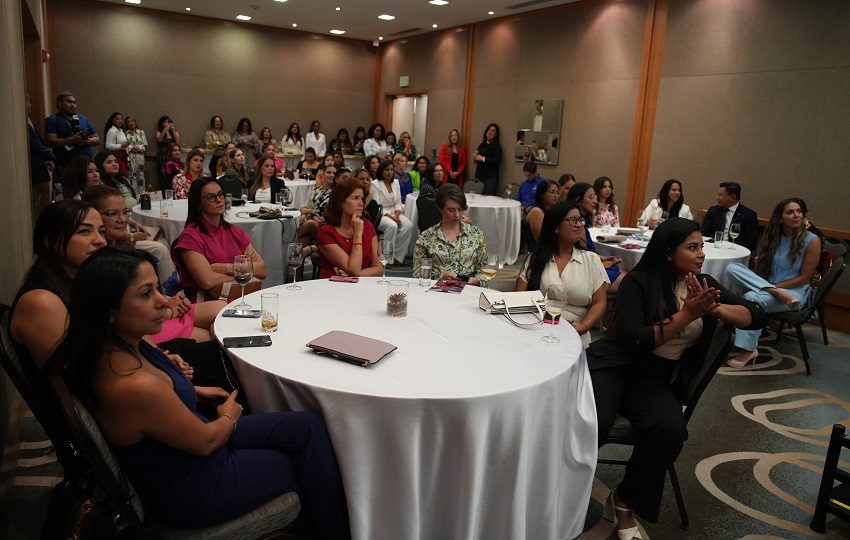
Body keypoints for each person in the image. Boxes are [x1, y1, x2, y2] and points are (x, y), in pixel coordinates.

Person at [54, 246, 351, 537]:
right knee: (309, 465)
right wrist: (229, 417)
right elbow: (206, 442)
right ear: (108, 311)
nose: (163, 302)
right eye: (146, 294)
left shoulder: (119, 345)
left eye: (158, 289)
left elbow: (156, 409)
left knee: (307, 427)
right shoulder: (132, 384)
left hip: (185, 447)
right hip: (195, 485)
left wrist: (194, 390)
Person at [587, 218, 766, 536]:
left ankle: (624, 500)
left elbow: (755, 316)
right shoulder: (638, 282)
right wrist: (687, 314)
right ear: (669, 252)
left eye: (702, 247)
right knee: (594, 423)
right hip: (616, 365)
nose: (701, 254)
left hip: (654, 377)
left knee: (670, 430)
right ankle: (563, 494)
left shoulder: (704, 284)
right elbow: (636, 341)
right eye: (692, 247)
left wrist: (714, 309)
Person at [726, 198, 820, 368]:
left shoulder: (812, 241)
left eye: (799, 211)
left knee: (750, 298)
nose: (796, 215)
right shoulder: (773, 237)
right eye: (790, 212)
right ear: (780, 217)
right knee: (732, 268)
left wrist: (776, 287)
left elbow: (804, 278)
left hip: (793, 294)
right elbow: (761, 270)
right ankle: (770, 291)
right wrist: (764, 269)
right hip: (771, 289)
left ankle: (748, 350)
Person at [517, 201, 609, 348]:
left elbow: (600, 303)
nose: (579, 225)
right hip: (537, 329)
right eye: (573, 220)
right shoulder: (536, 259)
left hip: (575, 333)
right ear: (556, 227)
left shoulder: (591, 260)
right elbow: (519, 298)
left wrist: (584, 327)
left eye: (580, 220)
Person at [172, 178, 267, 302]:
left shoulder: (235, 232)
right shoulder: (190, 237)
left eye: (221, 194)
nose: (219, 200)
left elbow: (262, 270)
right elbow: (207, 281)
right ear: (199, 203)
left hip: (239, 300)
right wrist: (242, 274)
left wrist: (227, 268)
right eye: (211, 197)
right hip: (206, 305)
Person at [412, 184, 486, 285]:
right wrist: (438, 278)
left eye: (460, 209)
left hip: (469, 292)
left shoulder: (476, 234)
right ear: (440, 209)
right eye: (451, 210)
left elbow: (484, 270)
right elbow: (416, 275)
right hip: (437, 293)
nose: (457, 215)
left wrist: (477, 281)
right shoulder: (426, 237)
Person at [316, 177, 382, 278]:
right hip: (333, 287)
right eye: (355, 198)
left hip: (363, 286)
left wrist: (356, 274)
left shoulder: (367, 225)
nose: (361, 203)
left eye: (362, 199)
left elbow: (378, 268)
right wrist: (357, 235)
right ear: (341, 202)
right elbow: (354, 269)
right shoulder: (326, 233)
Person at [568, 183, 625, 291]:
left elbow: (585, 251)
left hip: (589, 264)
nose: (595, 201)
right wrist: (600, 264)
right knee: (630, 282)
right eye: (591, 197)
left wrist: (603, 258)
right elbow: (575, 257)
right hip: (580, 272)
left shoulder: (584, 220)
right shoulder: (574, 224)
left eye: (595, 197)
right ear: (579, 200)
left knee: (621, 270)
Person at [371, 160, 415, 265]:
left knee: (409, 225)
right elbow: (377, 206)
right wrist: (393, 218)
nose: (390, 172)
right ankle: (387, 259)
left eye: (391, 169)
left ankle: (398, 257)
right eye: (387, 170)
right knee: (392, 225)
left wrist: (397, 214)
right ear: (381, 171)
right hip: (380, 214)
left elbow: (398, 202)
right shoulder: (375, 184)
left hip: (394, 212)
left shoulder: (395, 182)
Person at [44, 91, 100, 170]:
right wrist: (73, 139)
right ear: (59, 104)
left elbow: (97, 140)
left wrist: (87, 141)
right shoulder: (52, 120)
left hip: (86, 165)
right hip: (65, 167)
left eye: (74, 102)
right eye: (69, 102)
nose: (73, 105)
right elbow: (51, 142)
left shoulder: (83, 119)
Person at [700, 181, 759, 251]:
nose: (717, 198)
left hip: (735, 252)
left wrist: (734, 250)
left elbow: (751, 242)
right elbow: (703, 233)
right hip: (713, 249)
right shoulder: (713, 211)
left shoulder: (748, 215)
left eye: (720, 195)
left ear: (732, 198)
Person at [26, 93, 55, 215]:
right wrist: (51, 155)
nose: (29, 103)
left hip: (40, 168)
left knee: (38, 204)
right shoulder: (23, 123)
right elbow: (34, 144)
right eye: (27, 99)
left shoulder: (28, 119)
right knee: (34, 209)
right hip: (34, 172)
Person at [525, 179, 560, 247]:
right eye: (552, 192)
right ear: (542, 193)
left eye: (557, 193)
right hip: (537, 251)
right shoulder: (536, 211)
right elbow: (541, 241)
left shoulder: (552, 211)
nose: (555, 195)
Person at [473, 123, 503, 195]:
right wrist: (475, 157)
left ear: (495, 134)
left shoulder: (496, 146)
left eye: (492, 131)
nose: (489, 132)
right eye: (488, 129)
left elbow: (496, 161)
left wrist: (482, 158)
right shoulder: (482, 144)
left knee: (488, 198)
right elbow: (477, 158)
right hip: (479, 175)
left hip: (490, 177)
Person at [155, 116, 181, 192]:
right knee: (163, 178)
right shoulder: (159, 132)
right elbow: (160, 140)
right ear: (161, 124)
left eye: (168, 122)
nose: (167, 123)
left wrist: (172, 130)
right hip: (162, 157)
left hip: (172, 158)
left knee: (172, 177)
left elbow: (178, 142)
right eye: (164, 122)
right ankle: (164, 194)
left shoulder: (175, 132)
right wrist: (166, 129)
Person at [103, 112, 130, 178]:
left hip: (124, 154)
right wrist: (121, 146)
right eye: (117, 119)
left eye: (121, 119)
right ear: (113, 121)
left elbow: (125, 144)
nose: (120, 121)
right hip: (116, 155)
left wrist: (132, 147)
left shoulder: (122, 131)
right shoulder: (111, 131)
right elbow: (108, 145)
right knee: (123, 174)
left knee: (126, 174)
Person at [124, 115, 147, 190]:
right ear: (126, 124)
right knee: (132, 176)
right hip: (130, 158)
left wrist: (138, 148)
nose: (131, 123)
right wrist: (131, 148)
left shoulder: (141, 132)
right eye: (128, 122)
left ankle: (142, 195)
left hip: (140, 158)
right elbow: (124, 145)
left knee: (141, 176)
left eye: (132, 121)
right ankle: (134, 195)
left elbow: (144, 145)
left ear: (135, 122)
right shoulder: (125, 133)